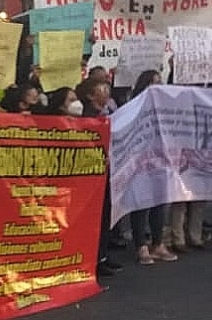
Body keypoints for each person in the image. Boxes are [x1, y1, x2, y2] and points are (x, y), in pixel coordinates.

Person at [127, 71, 177, 264]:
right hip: (140, 162)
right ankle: (141, 246)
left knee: (160, 203)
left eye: (160, 82)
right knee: (141, 204)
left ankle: (158, 244)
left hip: (161, 161)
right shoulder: (134, 106)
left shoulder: (166, 107)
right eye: (154, 83)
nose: (158, 86)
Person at [80, 79, 124, 277]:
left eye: (107, 88)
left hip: (108, 171)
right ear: (91, 95)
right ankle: (95, 259)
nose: (107, 92)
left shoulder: (109, 114)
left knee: (106, 215)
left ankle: (102, 256)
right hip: (95, 174)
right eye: (102, 89)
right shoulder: (88, 116)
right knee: (97, 217)